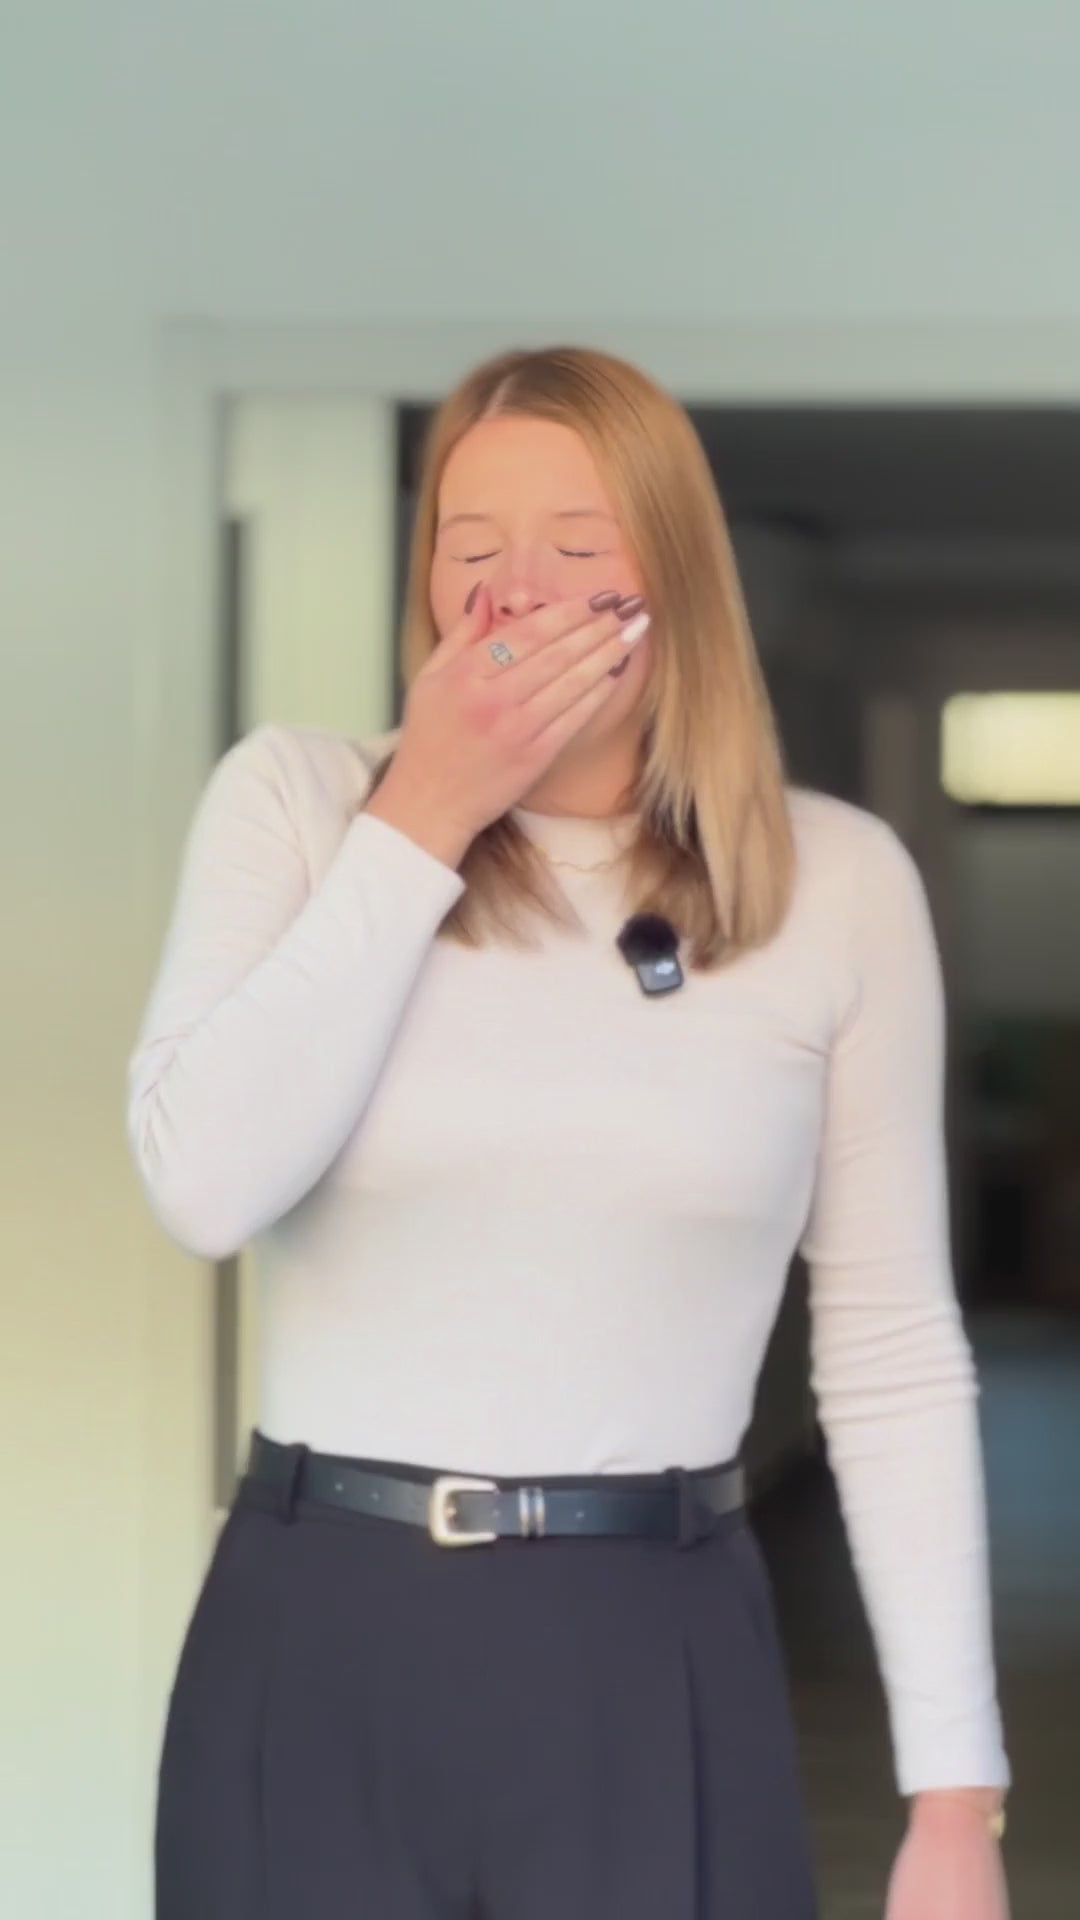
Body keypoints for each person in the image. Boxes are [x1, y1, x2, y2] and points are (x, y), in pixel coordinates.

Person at [128, 346, 1011, 1920]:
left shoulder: (837, 884)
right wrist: (426, 813)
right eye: (471, 545)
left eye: (576, 544)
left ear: (675, 576)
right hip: (320, 1633)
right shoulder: (299, 809)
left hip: (652, 1639)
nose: (516, 589)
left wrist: (956, 1801)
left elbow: (889, 1350)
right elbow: (202, 1183)